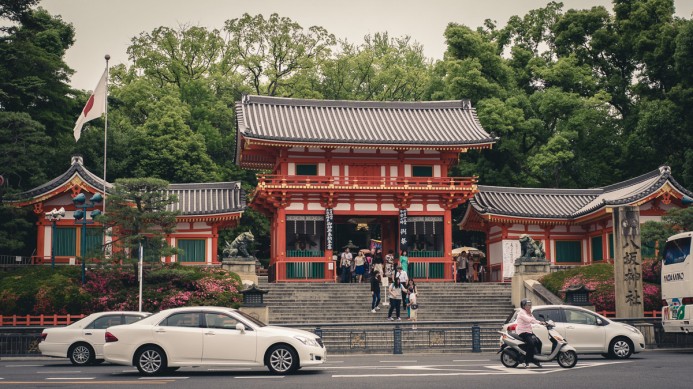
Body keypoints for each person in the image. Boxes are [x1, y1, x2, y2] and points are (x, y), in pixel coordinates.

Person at [515, 299, 543, 368]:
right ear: (523, 306)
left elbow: (533, 319)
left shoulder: (528, 312)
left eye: (530, 305)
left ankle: (535, 359)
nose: (530, 306)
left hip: (529, 331)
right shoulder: (522, 312)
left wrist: (543, 323)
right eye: (528, 305)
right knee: (531, 343)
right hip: (523, 332)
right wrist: (539, 322)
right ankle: (526, 360)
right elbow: (529, 319)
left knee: (539, 342)